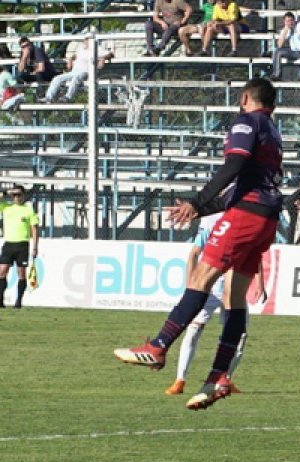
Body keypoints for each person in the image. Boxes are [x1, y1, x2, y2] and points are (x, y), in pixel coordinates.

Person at [114, 78, 283, 411]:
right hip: (267, 218)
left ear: (245, 98)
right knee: (234, 297)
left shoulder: (246, 121)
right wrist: (200, 209)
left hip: (246, 214)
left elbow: (232, 167)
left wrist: (197, 200)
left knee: (200, 279)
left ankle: (159, 345)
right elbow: (243, 183)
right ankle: (218, 376)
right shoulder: (273, 132)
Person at [163, 212, 262, 395]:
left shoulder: (247, 221)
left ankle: (226, 379)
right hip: (211, 285)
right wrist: (190, 287)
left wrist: (259, 283)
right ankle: (180, 380)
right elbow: (194, 254)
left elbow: (255, 255)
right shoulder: (212, 223)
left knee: (240, 336)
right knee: (194, 329)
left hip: (234, 287)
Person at [39, 38, 114, 103]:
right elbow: (76, 55)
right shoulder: (81, 49)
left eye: (86, 40)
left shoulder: (97, 49)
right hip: (74, 71)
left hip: (86, 71)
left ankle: (68, 97)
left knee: (77, 77)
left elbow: (111, 54)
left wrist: (103, 58)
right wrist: (71, 59)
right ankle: (48, 97)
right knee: (57, 78)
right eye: (84, 41)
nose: (84, 42)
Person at [0, 185, 39, 309]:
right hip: (8, 243)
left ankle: (18, 301)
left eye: (19, 195)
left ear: (24, 196)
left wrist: (35, 247)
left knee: (21, 273)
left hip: (22, 244)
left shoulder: (28, 210)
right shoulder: (6, 208)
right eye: (15, 195)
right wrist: (7, 192)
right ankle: (0, 299)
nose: (17, 197)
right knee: (2, 271)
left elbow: (34, 228)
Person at [270, 12, 300, 82]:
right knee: (277, 51)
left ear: (294, 20)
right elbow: (279, 45)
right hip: (295, 51)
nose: (290, 23)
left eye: (291, 20)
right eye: (287, 21)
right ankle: (276, 74)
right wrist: (286, 30)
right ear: (284, 22)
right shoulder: (285, 30)